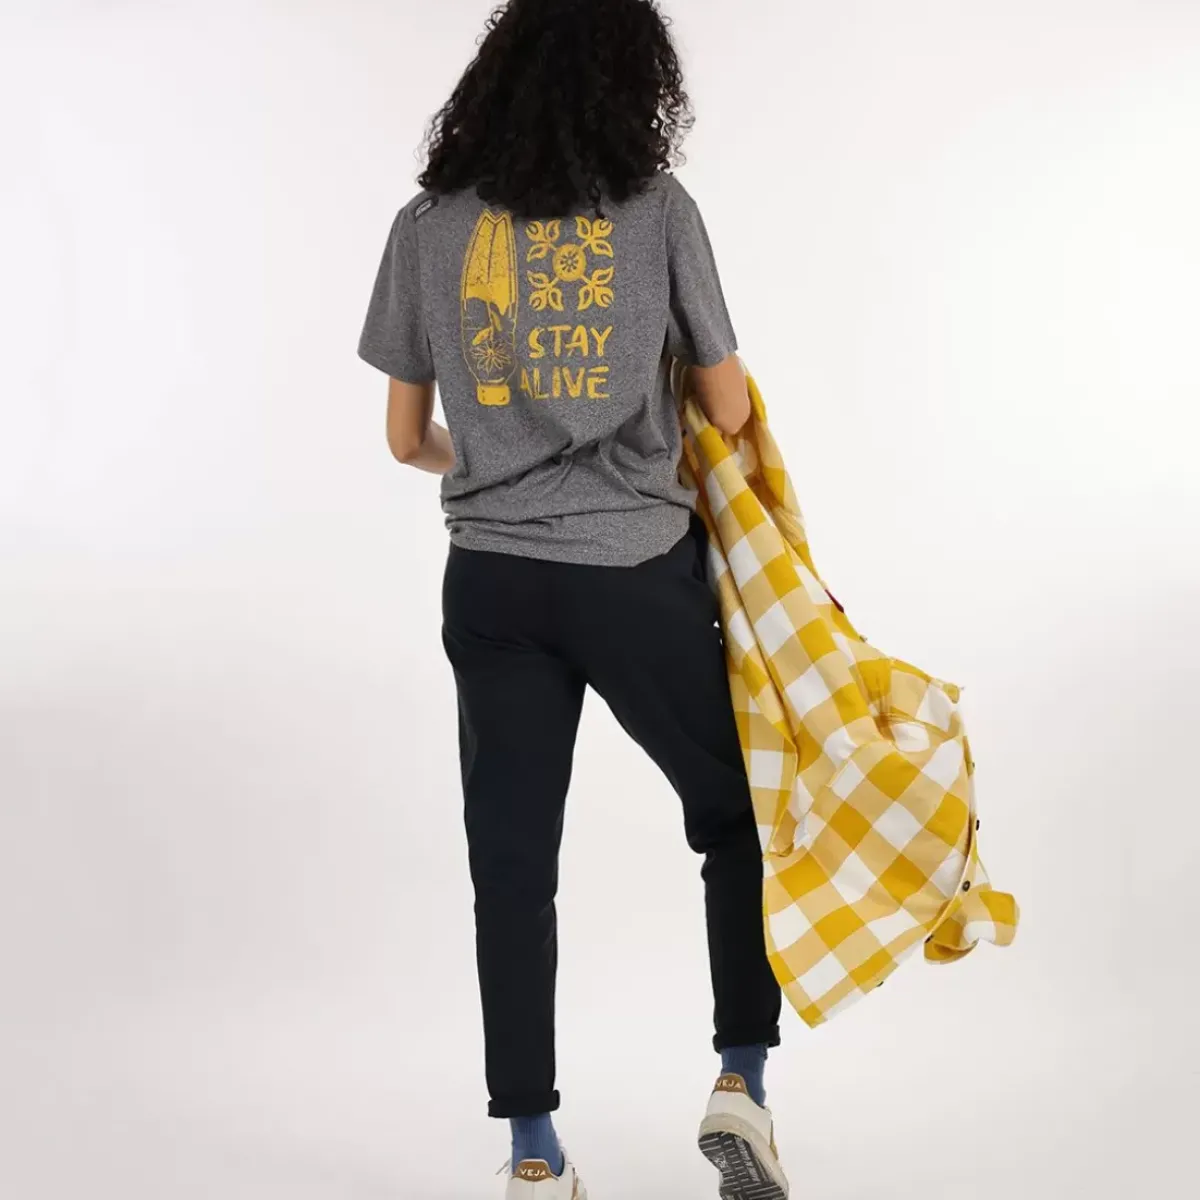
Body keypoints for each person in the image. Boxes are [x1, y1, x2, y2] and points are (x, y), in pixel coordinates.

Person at [358, 1, 786, 1196]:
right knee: (738, 812)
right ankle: (741, 1083)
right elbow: (729, 406)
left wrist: (499, 463)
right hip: (635, 573)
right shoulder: (658, 212)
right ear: (635, 82)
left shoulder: (428, 226)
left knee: (511, 864)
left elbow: (404, 440)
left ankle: (534, 1156)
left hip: (492, 584)